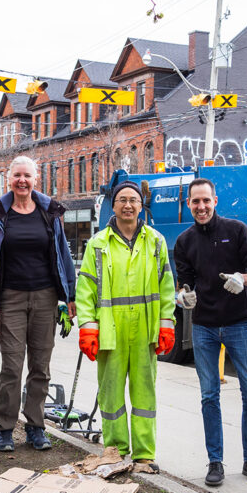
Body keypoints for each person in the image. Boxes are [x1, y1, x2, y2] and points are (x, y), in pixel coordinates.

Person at [173, 178, 247, 488]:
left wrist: (243, 279)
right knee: (209, 396)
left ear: (215, 201)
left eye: (206, 201)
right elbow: (184, 283)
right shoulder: (184, 241)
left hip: (238, 324)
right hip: (203, 326)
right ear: (188, 204)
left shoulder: (236, 231)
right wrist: (182, 296)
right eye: (195, 202)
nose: (201, 207)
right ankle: (215, 461)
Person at [76, 181, 175, 471]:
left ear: (141, 206)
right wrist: (88, 327)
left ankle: (144, 454)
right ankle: (115, 449)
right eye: (122, 200)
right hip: (110, 331)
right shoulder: (98, 244)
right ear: (114, 205)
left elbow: (166, 287)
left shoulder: (156, 242)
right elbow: (85, 291)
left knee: (145, 393)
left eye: (133, 199)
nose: (128, 205)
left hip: (144, 331)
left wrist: (166, 325)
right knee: (111, 393)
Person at [0, 156, 77, 452]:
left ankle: (36, 426)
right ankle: (6, 427)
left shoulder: (49, 213)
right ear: (8, 179)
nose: (22, 181)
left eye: (27, 176)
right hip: (10, 297)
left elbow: (64, 255)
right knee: (12, 365)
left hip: (46, 297)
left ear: (36, 180)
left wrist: (70, 296)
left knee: (41, 366)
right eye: (17, 176)